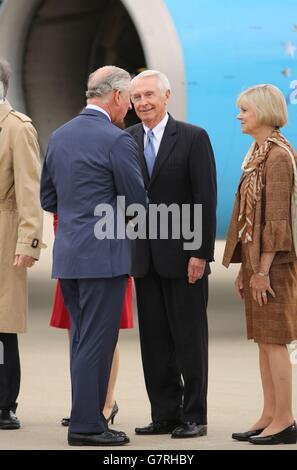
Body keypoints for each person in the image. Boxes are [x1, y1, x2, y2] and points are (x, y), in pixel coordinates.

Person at [40, 66, 147, 447]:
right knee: (98, 341)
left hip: (69, 255)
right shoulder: (116, 140)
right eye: (129, 99)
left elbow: (48, 199)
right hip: (104, 257)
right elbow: (137, 203)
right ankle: (86, 425)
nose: (130, 109)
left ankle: (90, 420)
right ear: (116, 97)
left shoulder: (60, 135)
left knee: (83, 340)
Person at [127, 70, 217, 438]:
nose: (143, 102)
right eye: (136, 97)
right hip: (144, 258)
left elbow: (205, 198)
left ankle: (194, 415)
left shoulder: (193, 138)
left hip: (184, 259)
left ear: (166, 96)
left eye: (149, 94)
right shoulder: (127, 139)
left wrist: (200, 253)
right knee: (154, 341)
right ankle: (164, 413)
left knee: (189, 340)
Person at [223, 84, 297, 445]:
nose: (239, 116)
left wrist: (263, 271)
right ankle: (269, 413)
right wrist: (244, 269)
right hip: (258, 264)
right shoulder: (257, 152)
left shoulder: (278, 156)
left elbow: (278, 222)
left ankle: (284, 419)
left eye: (245, 110)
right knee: (262, 341)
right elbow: (250, 218)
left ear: (264, 113)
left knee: (275, 341)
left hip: (276, 265)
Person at [51, 213, 133, 426]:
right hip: (71, 256)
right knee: (75, 333)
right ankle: (83, 403)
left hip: (107, 255)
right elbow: (55, 208)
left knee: (105, 335)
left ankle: (107, 402)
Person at [0, 58, 44, 430]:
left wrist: (29, 241)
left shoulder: (16, 128)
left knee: (2, 323)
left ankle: (3, 404)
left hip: (3, 233)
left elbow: (30, 189)